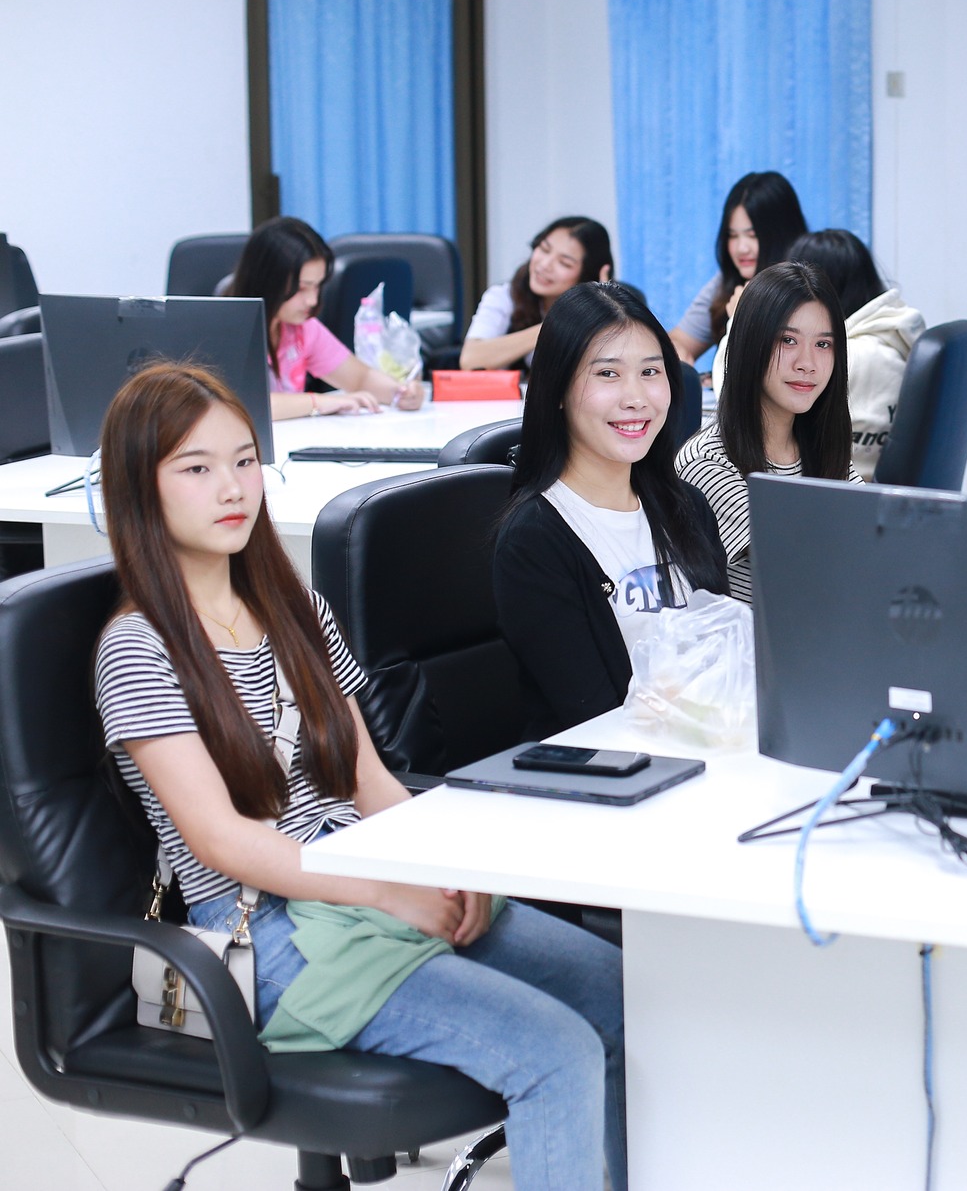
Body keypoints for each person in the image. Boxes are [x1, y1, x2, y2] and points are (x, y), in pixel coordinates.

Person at [91, 363, 626, 1191]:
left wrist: (440, 869)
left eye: (244, 460)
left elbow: (368, 778)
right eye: (196, 467)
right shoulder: (137, 648)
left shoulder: (294, 607)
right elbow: (223, 840)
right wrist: (388, 891)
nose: (232, 487)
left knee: (626, 997)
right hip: (265, 929)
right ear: (139, 487)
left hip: (364, 879)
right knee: (554, 1052)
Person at [494, 283, 729, 740]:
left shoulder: (687, 507)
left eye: (650, 371)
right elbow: (595, 718)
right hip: (608, 768)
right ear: (557, 388)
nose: (636, 397)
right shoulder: (534, 539)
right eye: (607, 374)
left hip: (710, 747)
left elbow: (724, 658)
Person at [677, 261, 859, 603]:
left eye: (823, 344)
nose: (807, 363)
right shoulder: (707, 463)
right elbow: (812, 568)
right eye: (788, 340)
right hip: (757, 636)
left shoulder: (817, 446)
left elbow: (871, 545)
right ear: (751, 345)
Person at [226, 217, 423, 421]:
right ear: (267, 279)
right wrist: (318, 402)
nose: (312, 300)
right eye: (301, 288)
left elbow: (359, 378)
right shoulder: (227, 329)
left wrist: (400, 392)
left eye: (317, 286)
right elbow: (241, 405)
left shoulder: (302, 328)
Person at [786, 229, 925, 481]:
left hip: (840, 489)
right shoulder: (893, 333)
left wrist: (741, 320)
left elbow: (740, 395)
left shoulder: (853, 355)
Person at [669, 171, 809, 365]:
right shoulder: (727, 282)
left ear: (783, 234)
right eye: (733, 236)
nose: (742, 248)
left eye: (753, 235)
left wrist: (744, 318)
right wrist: (676, 353)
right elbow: (677, 341)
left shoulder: (808, 287)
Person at [460, 216, 614, 370]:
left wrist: (598, 311)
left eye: (564, 263)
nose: (545, 265)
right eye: (544, 249)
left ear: (588, 275)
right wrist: (554, 326)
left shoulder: (606, 311)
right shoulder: (504, 296)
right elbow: (470, 360)